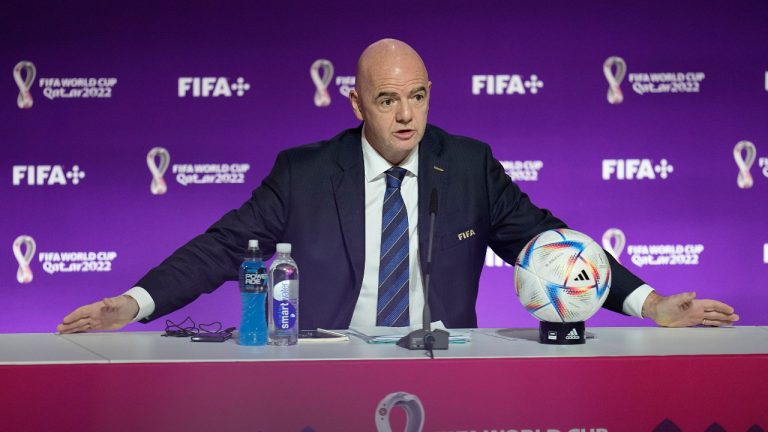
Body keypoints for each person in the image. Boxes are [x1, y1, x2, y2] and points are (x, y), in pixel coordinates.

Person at [57, 39, 738, 334]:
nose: (407, 115)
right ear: (356, 103)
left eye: (417, 96)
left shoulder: (467, 164)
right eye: (387, 100)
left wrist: (650, 304)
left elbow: (550, 243)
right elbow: (223, 247)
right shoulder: (304, 172)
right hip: (327, 372)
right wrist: (133, 303)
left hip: (447, 372)